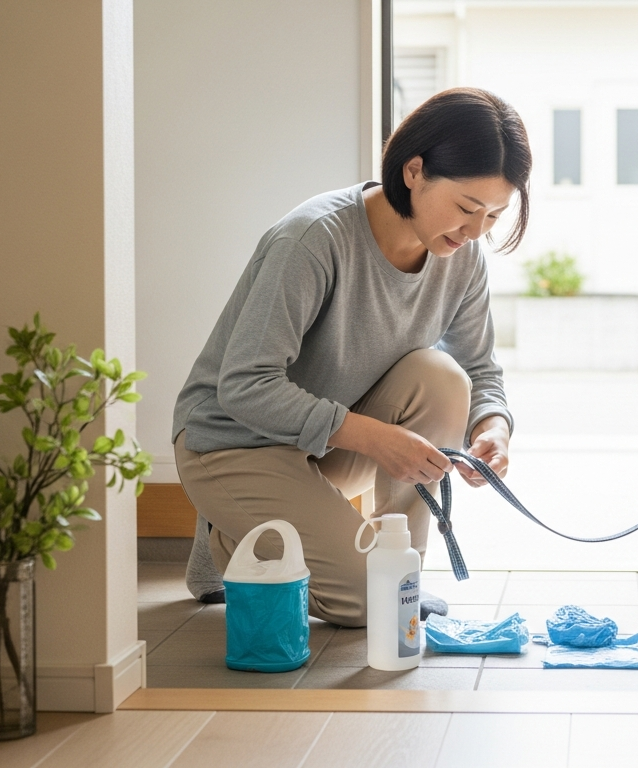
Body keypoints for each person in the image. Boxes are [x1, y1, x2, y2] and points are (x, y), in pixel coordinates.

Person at [171, 88, 530, 626]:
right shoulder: (313, 239)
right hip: (232, 442)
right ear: (414, 171)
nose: (476, 232)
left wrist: (495, 425)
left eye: (495, 216)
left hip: (322, 446)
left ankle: (394, 575)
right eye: (466, 208)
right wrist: (373, 436)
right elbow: (244, 386)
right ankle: (230, 537)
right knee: (366, 605)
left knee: (443, 379)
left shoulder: (462, 258)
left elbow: (479, 370)